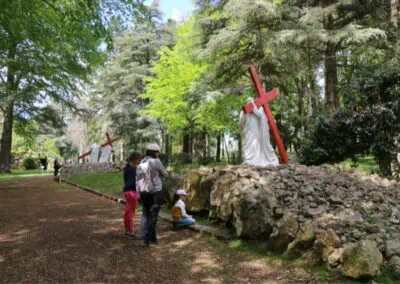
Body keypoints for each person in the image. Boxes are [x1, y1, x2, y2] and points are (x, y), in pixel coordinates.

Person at [137, 143, 168, 247]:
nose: (158, 154)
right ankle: (151, 239)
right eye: (158, 152)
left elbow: (138, 178)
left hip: (144, 192)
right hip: (155, 192)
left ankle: (143, 236)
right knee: (153, 215)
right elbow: (165, 174)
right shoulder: (156, 161)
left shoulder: (142, 161)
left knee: (145, 214)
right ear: (155, 152)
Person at [240, 97, 279, 167]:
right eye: (248, 102)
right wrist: (244, 114)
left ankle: (255, 159)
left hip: (256, 131)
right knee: (249, 144)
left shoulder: (258, 109)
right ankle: (249, 160)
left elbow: (260, 116)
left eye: (252, 101)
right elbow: (241, 123)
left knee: (255, 144)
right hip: (248, 131)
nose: (250, 103)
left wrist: (254, 110)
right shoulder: (244, 111)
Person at [123, 152, 142, 240]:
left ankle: (128, 231)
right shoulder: (133, 169)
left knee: (128, 212)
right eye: (138, 160)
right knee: (131, 213)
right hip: (132, 192)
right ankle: (130, 232)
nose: (139, 162)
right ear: (134, 159)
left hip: (127, 191)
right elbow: (134, 182)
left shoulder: (127, 167)